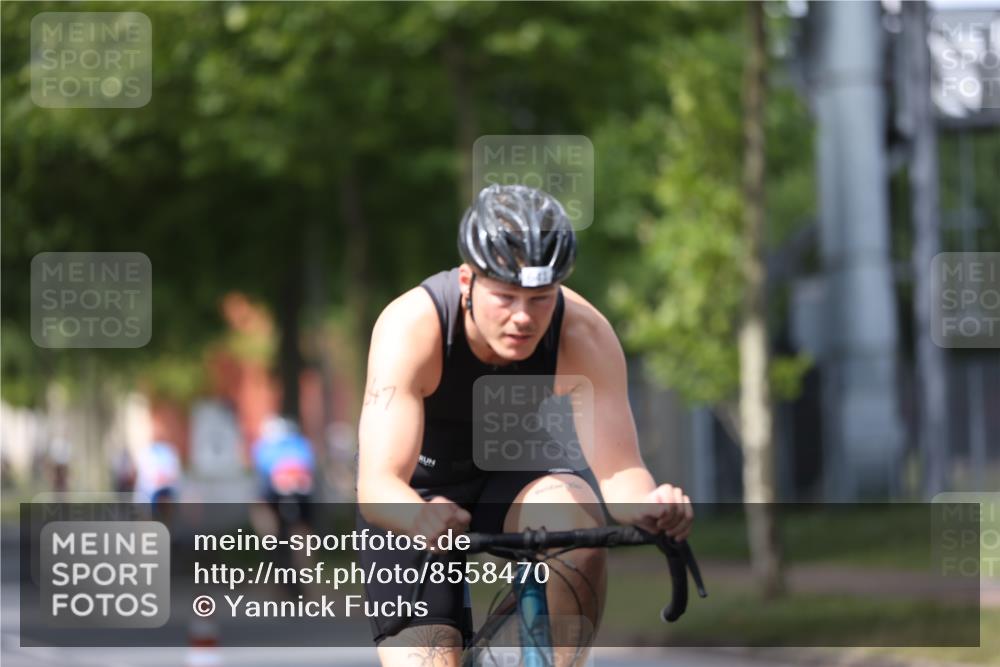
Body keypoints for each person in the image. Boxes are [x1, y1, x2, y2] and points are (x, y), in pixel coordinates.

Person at [356, 184, 694, 667]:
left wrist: (651, 504)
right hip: (414, 494)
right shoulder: (412, 327)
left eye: (539, 298)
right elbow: (377, 485)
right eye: (506, 296)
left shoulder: (583, 333)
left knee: (578, 526)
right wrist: (419, 517)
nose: (522, 317)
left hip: (513, 471)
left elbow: (620, 474)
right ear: (469, 281)